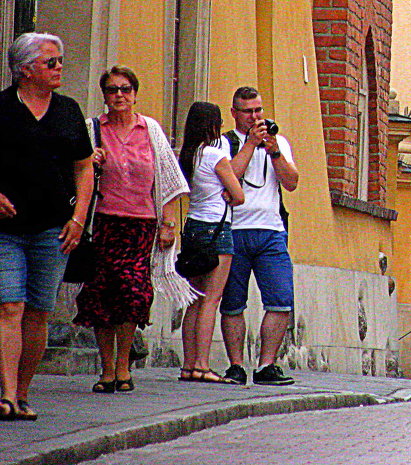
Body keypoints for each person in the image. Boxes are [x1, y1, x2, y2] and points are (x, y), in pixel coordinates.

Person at [74, 66, 196, 394]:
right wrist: (89, 161)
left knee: (132, 292)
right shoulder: (92, 129)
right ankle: (106, 368)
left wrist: (168, 224)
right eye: (112, 90)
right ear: (104, 95)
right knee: (101, 293)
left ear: (135, 93)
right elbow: (73, 170)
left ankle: (124, 364)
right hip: (104, 222)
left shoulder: (150, 130)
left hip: (142, 225)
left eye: (125, 89)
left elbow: (167, 181)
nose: (119, 96)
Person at [0, 33, 93, 420]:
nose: (59, 68)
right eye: (50, 62)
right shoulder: (2, 108)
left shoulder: (68, 111)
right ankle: (5, 394)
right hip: (6, 228)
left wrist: (79, 218)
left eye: (60, 61)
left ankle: (22, 393)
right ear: (25, 70)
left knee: (38, 311)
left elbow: (84, 166)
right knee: (10, 306)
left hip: (54, 229)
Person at [216, 86, 299, 387]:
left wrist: (273, 149)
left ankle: (266, 365)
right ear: (235, 113)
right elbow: (229, 177)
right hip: (233, 230)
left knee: (280, 299)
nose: (255, 117)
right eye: (248, 111)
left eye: (259, 110)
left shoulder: (278, 143)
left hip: (271, 230)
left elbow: (291, 183)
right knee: (233, 303)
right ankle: (236, 365)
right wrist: (250, 144)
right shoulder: (224, 144)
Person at [177, 102, 245, 384]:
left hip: (192, 227)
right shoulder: (216, 154)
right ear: (214, 125)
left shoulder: (189, 155)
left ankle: (189, 364)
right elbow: (238, 194)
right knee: (211, 300)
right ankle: (203, 364)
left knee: (194, 300)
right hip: (217, 230)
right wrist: (230, 194)